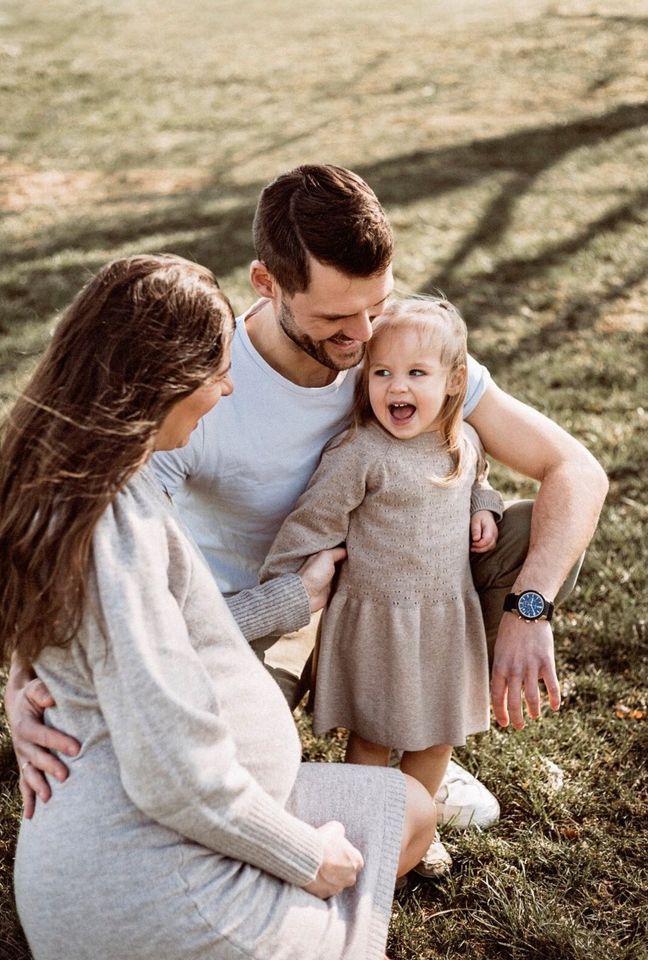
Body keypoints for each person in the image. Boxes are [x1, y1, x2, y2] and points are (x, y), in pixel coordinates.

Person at [5, 164, 608, 865]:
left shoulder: (406, 348)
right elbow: (84, 546)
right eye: (334, 319)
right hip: (259, 616)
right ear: (267, 283)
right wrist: (25, 682)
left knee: (533, 535)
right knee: (230, 764)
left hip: (408, 595)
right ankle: (354, 781)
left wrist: (529, 611)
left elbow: (577, 471)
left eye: (375, 306)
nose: (363, 339)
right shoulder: (202, 390)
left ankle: (419, 741)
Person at [0, 254, 435, 960]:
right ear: (161, 380)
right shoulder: (114, 525)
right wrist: (304, 855)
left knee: (409, 814)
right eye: (214, 372)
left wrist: (19, 687)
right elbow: (172, 775)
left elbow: (113, 634)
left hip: (172, 839)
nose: (226, 388)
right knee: (356, 878)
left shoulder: (73, 481)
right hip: (162, 894)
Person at [260, 297, 505, 879]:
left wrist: (487, 511)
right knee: (373, 736)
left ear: (453, 382)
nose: (397, 386)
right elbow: (311, 522)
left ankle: (411, 828)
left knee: (436, 736)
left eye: (417, 373)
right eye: (382, 372)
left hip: (445, 618)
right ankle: (366, 821)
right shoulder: (359, 453)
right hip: (377, 623)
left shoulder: (461, 441)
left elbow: (482, 481)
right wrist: (286, 584)